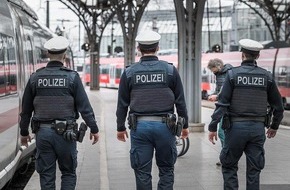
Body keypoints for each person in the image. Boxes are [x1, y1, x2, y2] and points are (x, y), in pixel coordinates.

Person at [19, 36, 100, 190]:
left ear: (48, 54)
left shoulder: (35, 78)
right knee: (68, 173)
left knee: (46, 175)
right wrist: (94, 129)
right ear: (64, 55)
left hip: (42, 134)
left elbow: (26, 110)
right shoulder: (72, 77)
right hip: (66, 134)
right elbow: (85, 107)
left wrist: (24, 132)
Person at [116, 30, 189, 190]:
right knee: (166, 169)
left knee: (142, 171)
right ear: (158, 47)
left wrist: (120, 127)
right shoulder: (170, 70)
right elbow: (180, 101)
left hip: (140, 127)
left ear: (138, 49)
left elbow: (122, 103)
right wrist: (185, 126)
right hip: (166, 127)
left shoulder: (129, 72)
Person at [208, 38, 284, 190]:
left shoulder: (232, 75)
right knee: (254, 170)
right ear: (257, 56)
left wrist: (212, 126)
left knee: (229, 166)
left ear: (242, 54)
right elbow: (279, 107)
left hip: (235, 128)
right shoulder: (266, 77)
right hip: (257, 129)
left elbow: (222, 104)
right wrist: (274, 126)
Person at [207, 58, 233, 166]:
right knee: (224, 134)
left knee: (222, 133)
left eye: (212, 69)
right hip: (225, 108)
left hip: (225, 109)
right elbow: (220, 90)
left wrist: (216, 96)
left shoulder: (225, 74)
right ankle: (226, 157)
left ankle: (226, 158)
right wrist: (214, 94)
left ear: (218, 66)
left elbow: (226, 93)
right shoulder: (220, 74)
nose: (212, 72)